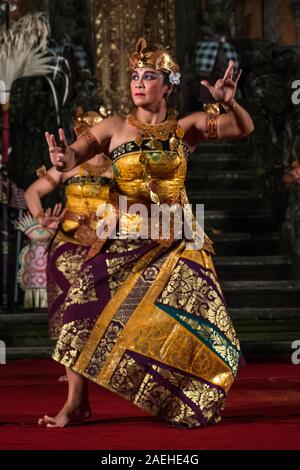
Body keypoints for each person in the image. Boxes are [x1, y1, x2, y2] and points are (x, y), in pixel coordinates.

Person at [38, 37, 254, 428]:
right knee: (78, 314)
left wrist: (229, 102)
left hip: (176, 241)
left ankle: (187, 397)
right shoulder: (114, 127)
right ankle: (76, 403)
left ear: (168, 86)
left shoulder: (185, 127)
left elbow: (242, 127)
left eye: (149, 76)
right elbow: (74, 155)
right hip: (121, 238)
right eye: (135, 76)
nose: (138, 83)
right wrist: (62, 157)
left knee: (197, 325)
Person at [25, 112, 114, 341]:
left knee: (102, 304)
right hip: (68, 244)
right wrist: (41, 217)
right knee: (68, 303)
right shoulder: (69, 166)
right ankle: (68, 364)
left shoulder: (117, 167)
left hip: (104, 246)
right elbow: (33, 191)